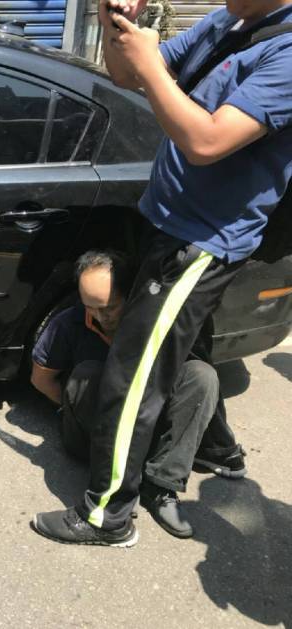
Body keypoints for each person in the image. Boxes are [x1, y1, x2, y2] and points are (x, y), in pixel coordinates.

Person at [33, 0, 292, 547]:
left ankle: (107, 515)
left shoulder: (287, 51)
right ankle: (217, 452)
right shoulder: (228, 20)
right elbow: (126, 74)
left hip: (199, 242)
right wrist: (115, 20)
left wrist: (150, 60)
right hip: (162, 219)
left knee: (133, 375)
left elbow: (206, 142)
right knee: (176, 353)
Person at [32, 250, 236, 538]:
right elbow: (41, 379)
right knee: (89, 373)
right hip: (92, 437)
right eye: (91, 307)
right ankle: (113, 483)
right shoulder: (68, 322)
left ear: (130, 296)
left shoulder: (157, 321)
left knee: (201, 375)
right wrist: (71, 404)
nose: (99, 316)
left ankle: (161, 484)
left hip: (143, 430)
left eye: (109, 308)